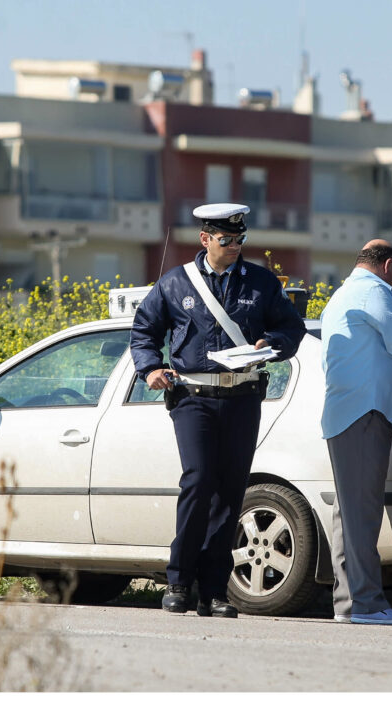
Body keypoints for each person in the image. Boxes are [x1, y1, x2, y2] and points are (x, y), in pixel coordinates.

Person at [131, 203, 307, 618]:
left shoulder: (262, 283)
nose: (235, 247)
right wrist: (150, 367)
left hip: (243, 397)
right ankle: (179, 581)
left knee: (230, 492)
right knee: (198, 481)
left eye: (240, 239)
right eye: (226, 240)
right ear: (205, 239)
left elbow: (291, 328)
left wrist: (274, 344)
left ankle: (214, 590)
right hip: (194, 399)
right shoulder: (175, 285)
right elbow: (143, 331)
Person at [320, 239, 392, 625]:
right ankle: (366, 604)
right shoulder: (376, 292)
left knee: (348, 514)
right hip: (366, 411)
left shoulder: (343, 294)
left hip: (348, 412)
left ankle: (350, 603)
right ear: (387, 265)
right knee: (362, 513)